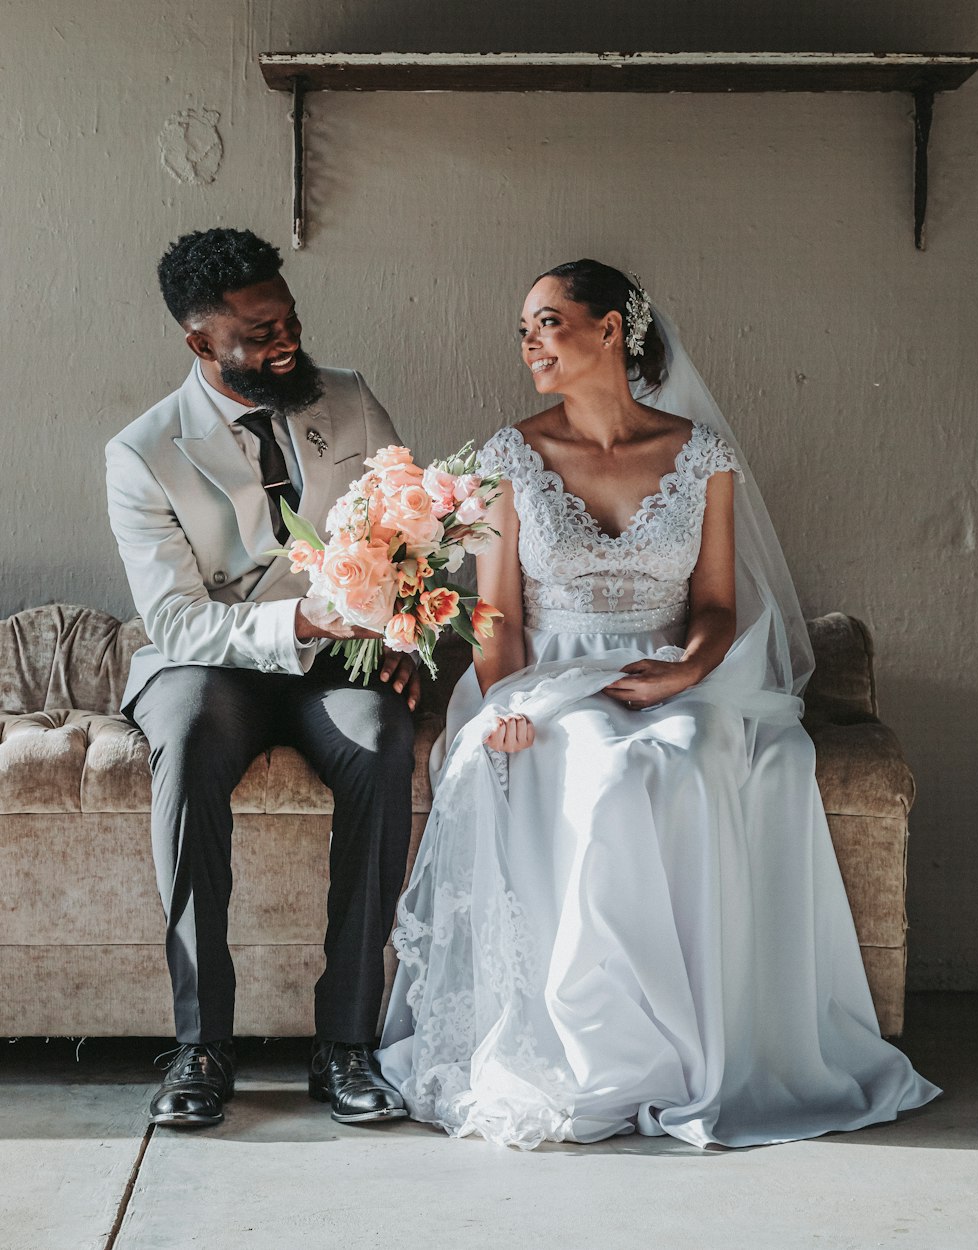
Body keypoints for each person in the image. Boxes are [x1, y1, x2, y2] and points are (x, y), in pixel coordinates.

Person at [376, 259, 940, 1149]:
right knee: (609, 766)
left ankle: (695, 1059)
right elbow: (499, 618)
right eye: (522, 327)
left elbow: (718, 607)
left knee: (681, 755)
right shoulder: (507, 458)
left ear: (610, 330)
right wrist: (502, 706)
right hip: (550, 678)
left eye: (548, 321)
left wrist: (683, 675)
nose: (528, 342)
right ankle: (606, 1055)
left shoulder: (701, 457)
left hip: (678, 671)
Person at [106, 228, 417, 1128]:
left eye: (288, 319)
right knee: (194, 727)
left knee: (381, 737)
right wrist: (305, 619)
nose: (286, 341)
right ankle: (203, 1046)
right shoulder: (143, 453)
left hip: (333, 663)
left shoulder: (349, 402)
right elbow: (175, 621)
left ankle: (347, 1044)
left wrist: (395, 621)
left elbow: (405, 528)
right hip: (209, 666)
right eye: (259, 331)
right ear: (201, 343)